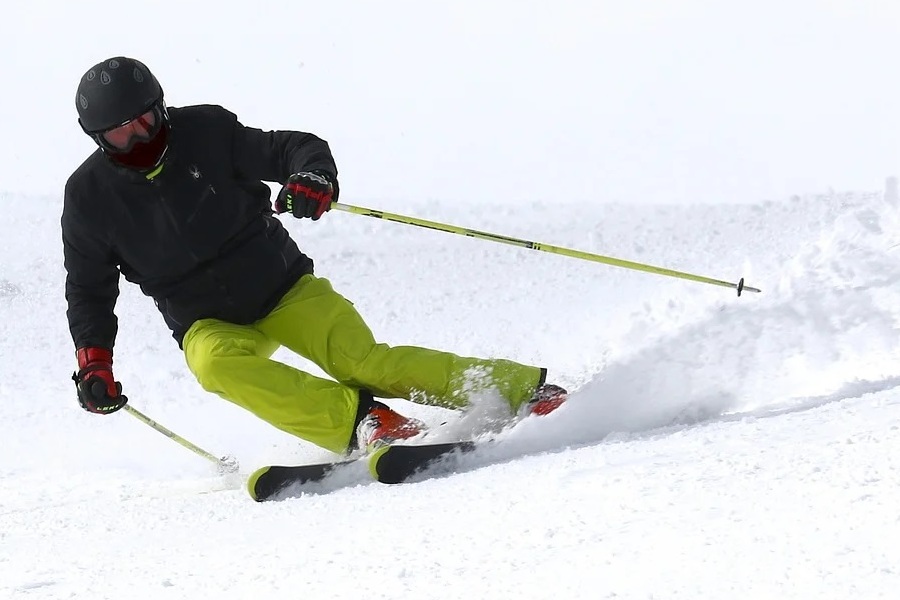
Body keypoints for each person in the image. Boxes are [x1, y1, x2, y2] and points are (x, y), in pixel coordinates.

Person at [64, 56, 567, 456]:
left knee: (366, 363)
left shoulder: (207, 132)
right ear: (98, 138)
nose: (138, 137)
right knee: (213, 365)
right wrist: (94, 362)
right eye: (120, 132)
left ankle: (520, 390)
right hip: (205, 319)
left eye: (145, 120)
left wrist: (312, 177)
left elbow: (293, 148)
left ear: (161, 107)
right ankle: (365, 422)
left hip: (282, 288)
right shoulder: (89, 198)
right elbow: (88, 288)